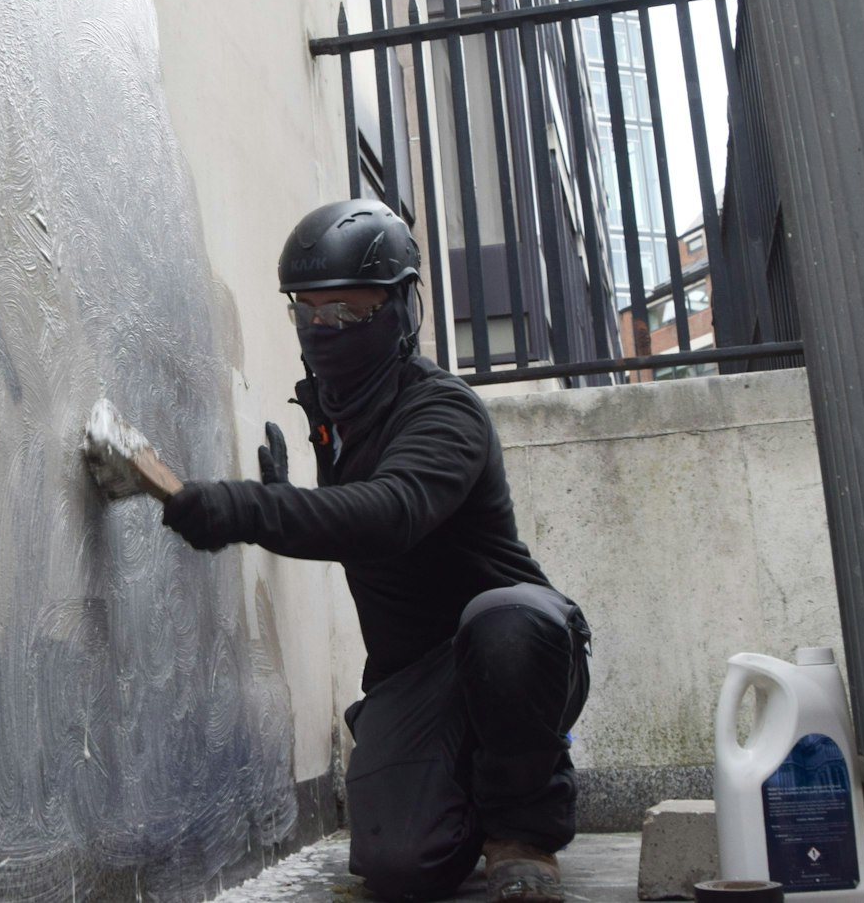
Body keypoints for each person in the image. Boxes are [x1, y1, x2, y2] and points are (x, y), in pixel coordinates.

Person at [159, 199, 590, 903]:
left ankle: (524, 827)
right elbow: (345, 517)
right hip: (414, 675)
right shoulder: (335, 418)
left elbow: (392, 512)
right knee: (399, 864)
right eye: (310, 311)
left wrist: (250, 508)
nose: (327, 328)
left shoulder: (444, 410)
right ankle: (473, 787)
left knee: (504, 624)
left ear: (399, 309)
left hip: (516, 644)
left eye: (351, 310)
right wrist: (290, 493)